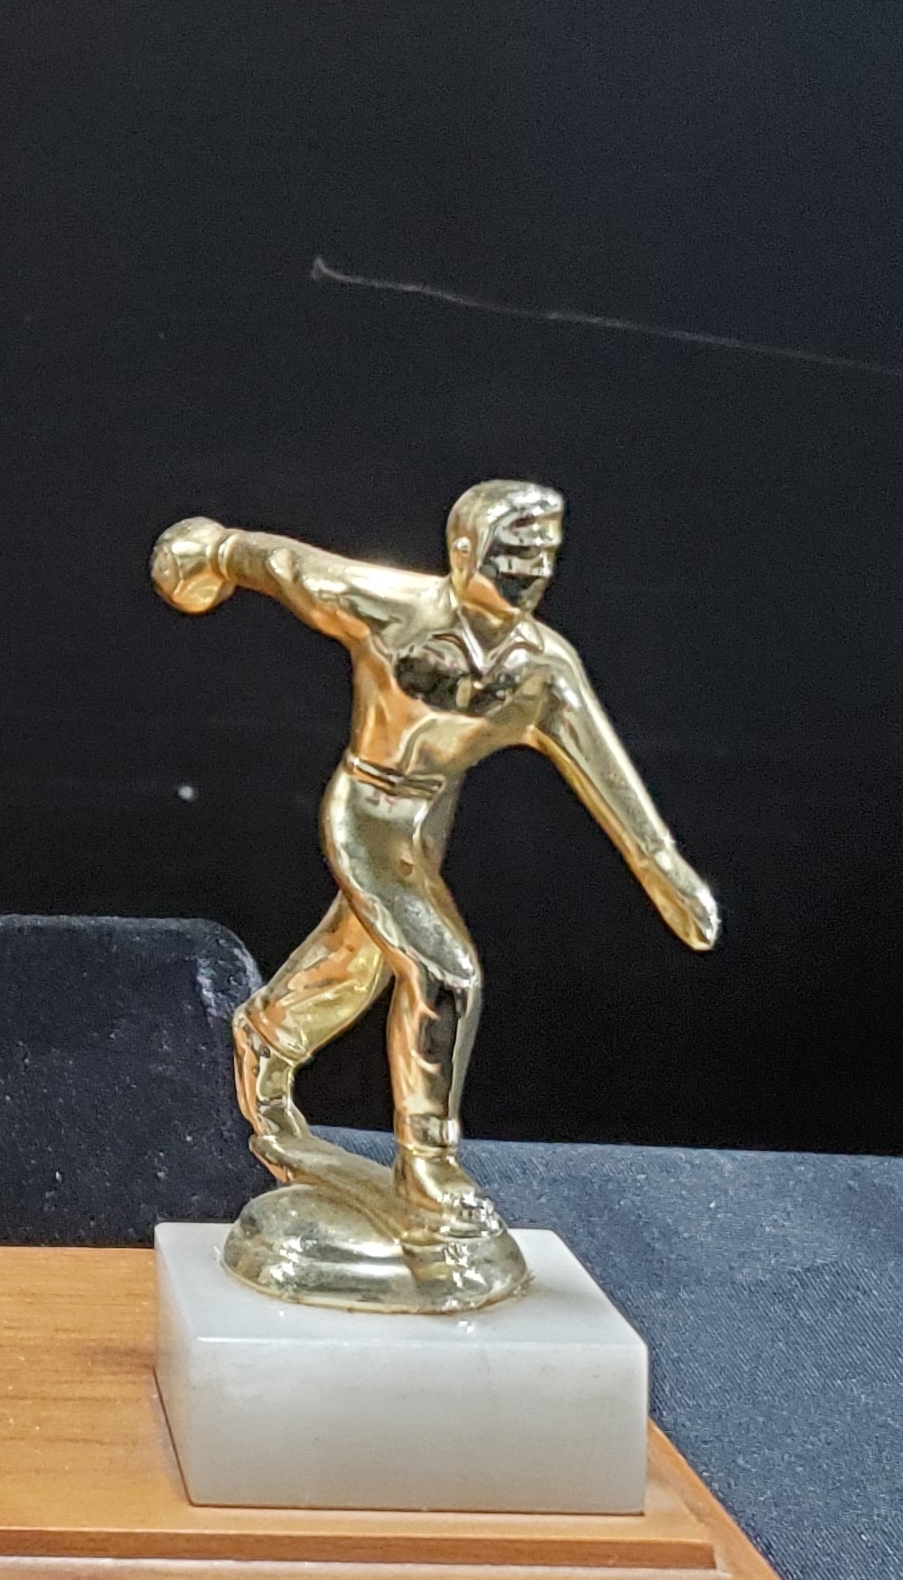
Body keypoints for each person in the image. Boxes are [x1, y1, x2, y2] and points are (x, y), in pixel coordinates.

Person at [152, 480, 718, 1292]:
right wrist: (212, 550)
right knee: (444, 975)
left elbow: (606, 777)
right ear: (463, 552)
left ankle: (267, 1033)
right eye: (513, 554)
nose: (531, 573)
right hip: (366, 808)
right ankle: (428, 1163)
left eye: (544, 556)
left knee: (356, 963)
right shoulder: (388, 608)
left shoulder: (543, 671)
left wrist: (665, 872)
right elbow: (288, 565)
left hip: (428, 820)